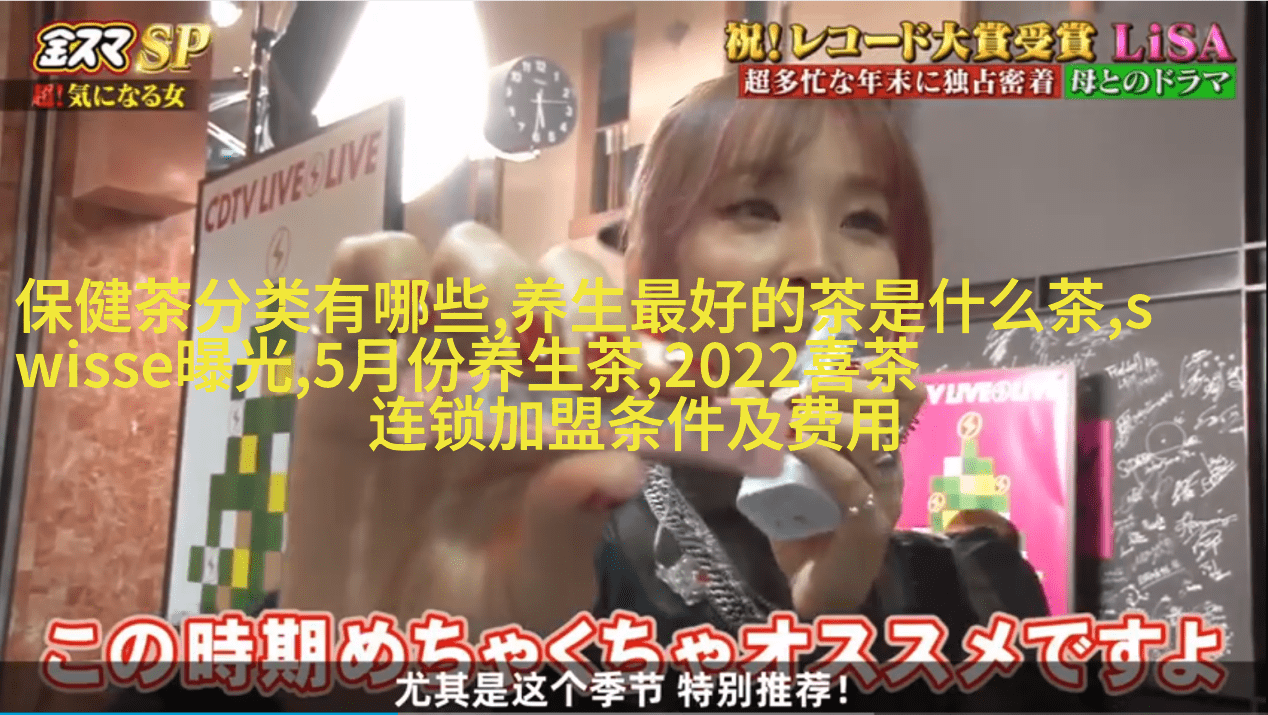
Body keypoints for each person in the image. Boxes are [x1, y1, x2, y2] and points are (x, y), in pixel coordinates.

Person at [110, 75, 1075, 712]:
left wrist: (836, 633)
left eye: (865, 220)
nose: (818, 264)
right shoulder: (540, 547)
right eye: (754, 208)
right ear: (654, 265)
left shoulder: (975, 593)